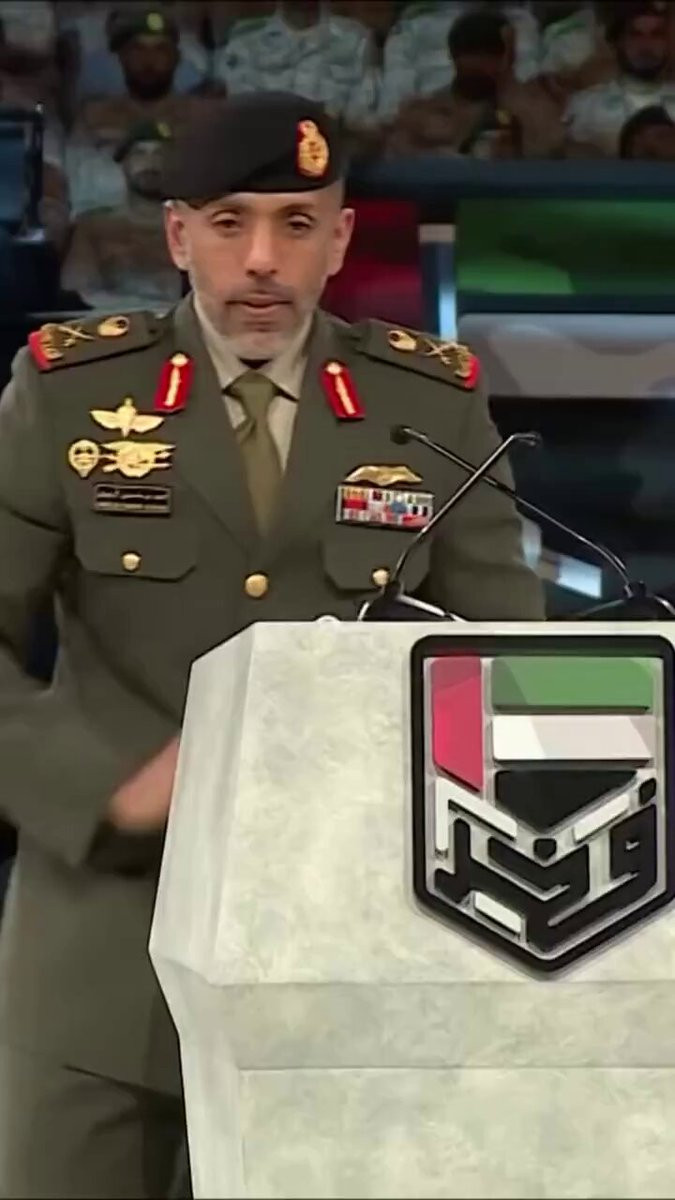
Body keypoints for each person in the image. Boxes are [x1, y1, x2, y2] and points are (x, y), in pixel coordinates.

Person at [0, 90, 544, 1200]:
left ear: (339, 239)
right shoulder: (71, 395)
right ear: (177, 235)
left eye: (296, 225)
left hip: (346, 961)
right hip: (103, 958)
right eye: (229, 223)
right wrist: (105, 790)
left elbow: (508, 668)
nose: (261, 260)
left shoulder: (426, 405)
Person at [67, 4, 214, 214]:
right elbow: (77, 183)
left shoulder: (202, 116)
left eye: (160, 49)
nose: (149, 60)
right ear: (121, 57)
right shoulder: (93, 117)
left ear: (176, 58)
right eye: (138, 49)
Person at [386, 8, 564, 158]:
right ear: (453, 55)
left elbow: (549, 148)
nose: (484, 65)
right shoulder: (425, 112)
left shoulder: (532, 107)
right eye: (474, 53)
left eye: (492, 54)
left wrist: (507, 81)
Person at [62, 120, 183, 312]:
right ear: (123, 163)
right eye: (139, 153)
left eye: (160, 154)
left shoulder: (189, 227)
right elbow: (77, 291)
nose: (150, 162)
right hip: (110, 321)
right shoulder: (94, 226)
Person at [212, 0, 381, 126]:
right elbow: (239, 113)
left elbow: (364, 116)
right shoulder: (246, 41)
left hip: (333, 149)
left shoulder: (355, 39)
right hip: (263, 151)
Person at [377, 0, 542, 121]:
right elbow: (392, 110)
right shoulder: (413, 26)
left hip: (505, 124)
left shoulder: (524, 24)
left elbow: (527, 93)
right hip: (428, 130)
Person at [564, 0, 675, 156]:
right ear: (619, 42)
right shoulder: (583, 107)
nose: (646, 45)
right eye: (635, 34)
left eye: (656, 34)